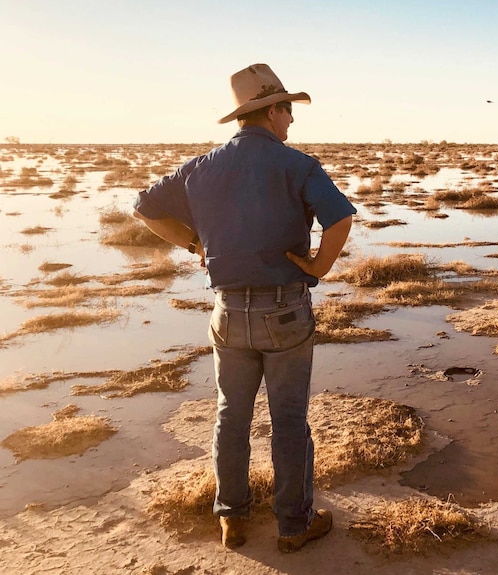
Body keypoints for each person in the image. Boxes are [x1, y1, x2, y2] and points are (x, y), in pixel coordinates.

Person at [132, 63, 356, 552]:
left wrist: (193, 243)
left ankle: (231, 517)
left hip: (227, 314)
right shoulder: (297, 165)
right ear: (272, 110)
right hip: (286, 313)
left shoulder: (200, 167)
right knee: (289, 420)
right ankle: (294, 525)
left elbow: (145, 207)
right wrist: (318, 267)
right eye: (289, 111)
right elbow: (340, 220)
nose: (293, 121)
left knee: (231, 416)